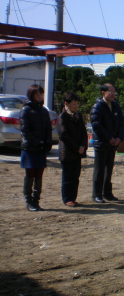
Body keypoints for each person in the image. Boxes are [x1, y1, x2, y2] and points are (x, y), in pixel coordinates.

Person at [19, 84, 53, 212]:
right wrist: (36, 142)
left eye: (41, 94)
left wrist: (48, 142)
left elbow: (48, 129)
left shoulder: (44, 110)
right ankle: (28, 201)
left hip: (41, 148)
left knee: (39, 174)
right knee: (30, 174)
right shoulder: (26, 110)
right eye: (37, 94)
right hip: (30, 148)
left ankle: (36, 200)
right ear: (31, 95)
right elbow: (25, 130)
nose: (40, 97)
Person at [90, 83, 124, 203]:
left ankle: (107, 193)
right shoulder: (97, 107)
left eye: (114, 91)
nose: (113, 94)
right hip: (102, 143)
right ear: (103, 93)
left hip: (113, 143)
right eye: (110, 91)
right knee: (99, 170)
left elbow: (121, 122)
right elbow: (97, 126)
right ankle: (97, 194)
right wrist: (109, 138)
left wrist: (119, 138)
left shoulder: (115, 105)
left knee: (109, 169)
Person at [57, 91, 88, 207]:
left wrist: (82, 146)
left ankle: (73, 197)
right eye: (73, 104)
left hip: (77, 152)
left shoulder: (78, 116)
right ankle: (67, 198)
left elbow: (83, 132)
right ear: (66, 103)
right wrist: (76, 147)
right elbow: (64, 135)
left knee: (75, 176)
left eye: (76, 104)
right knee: (67, 176)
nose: (75, 106)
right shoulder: (62, 117)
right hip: (68, 152)